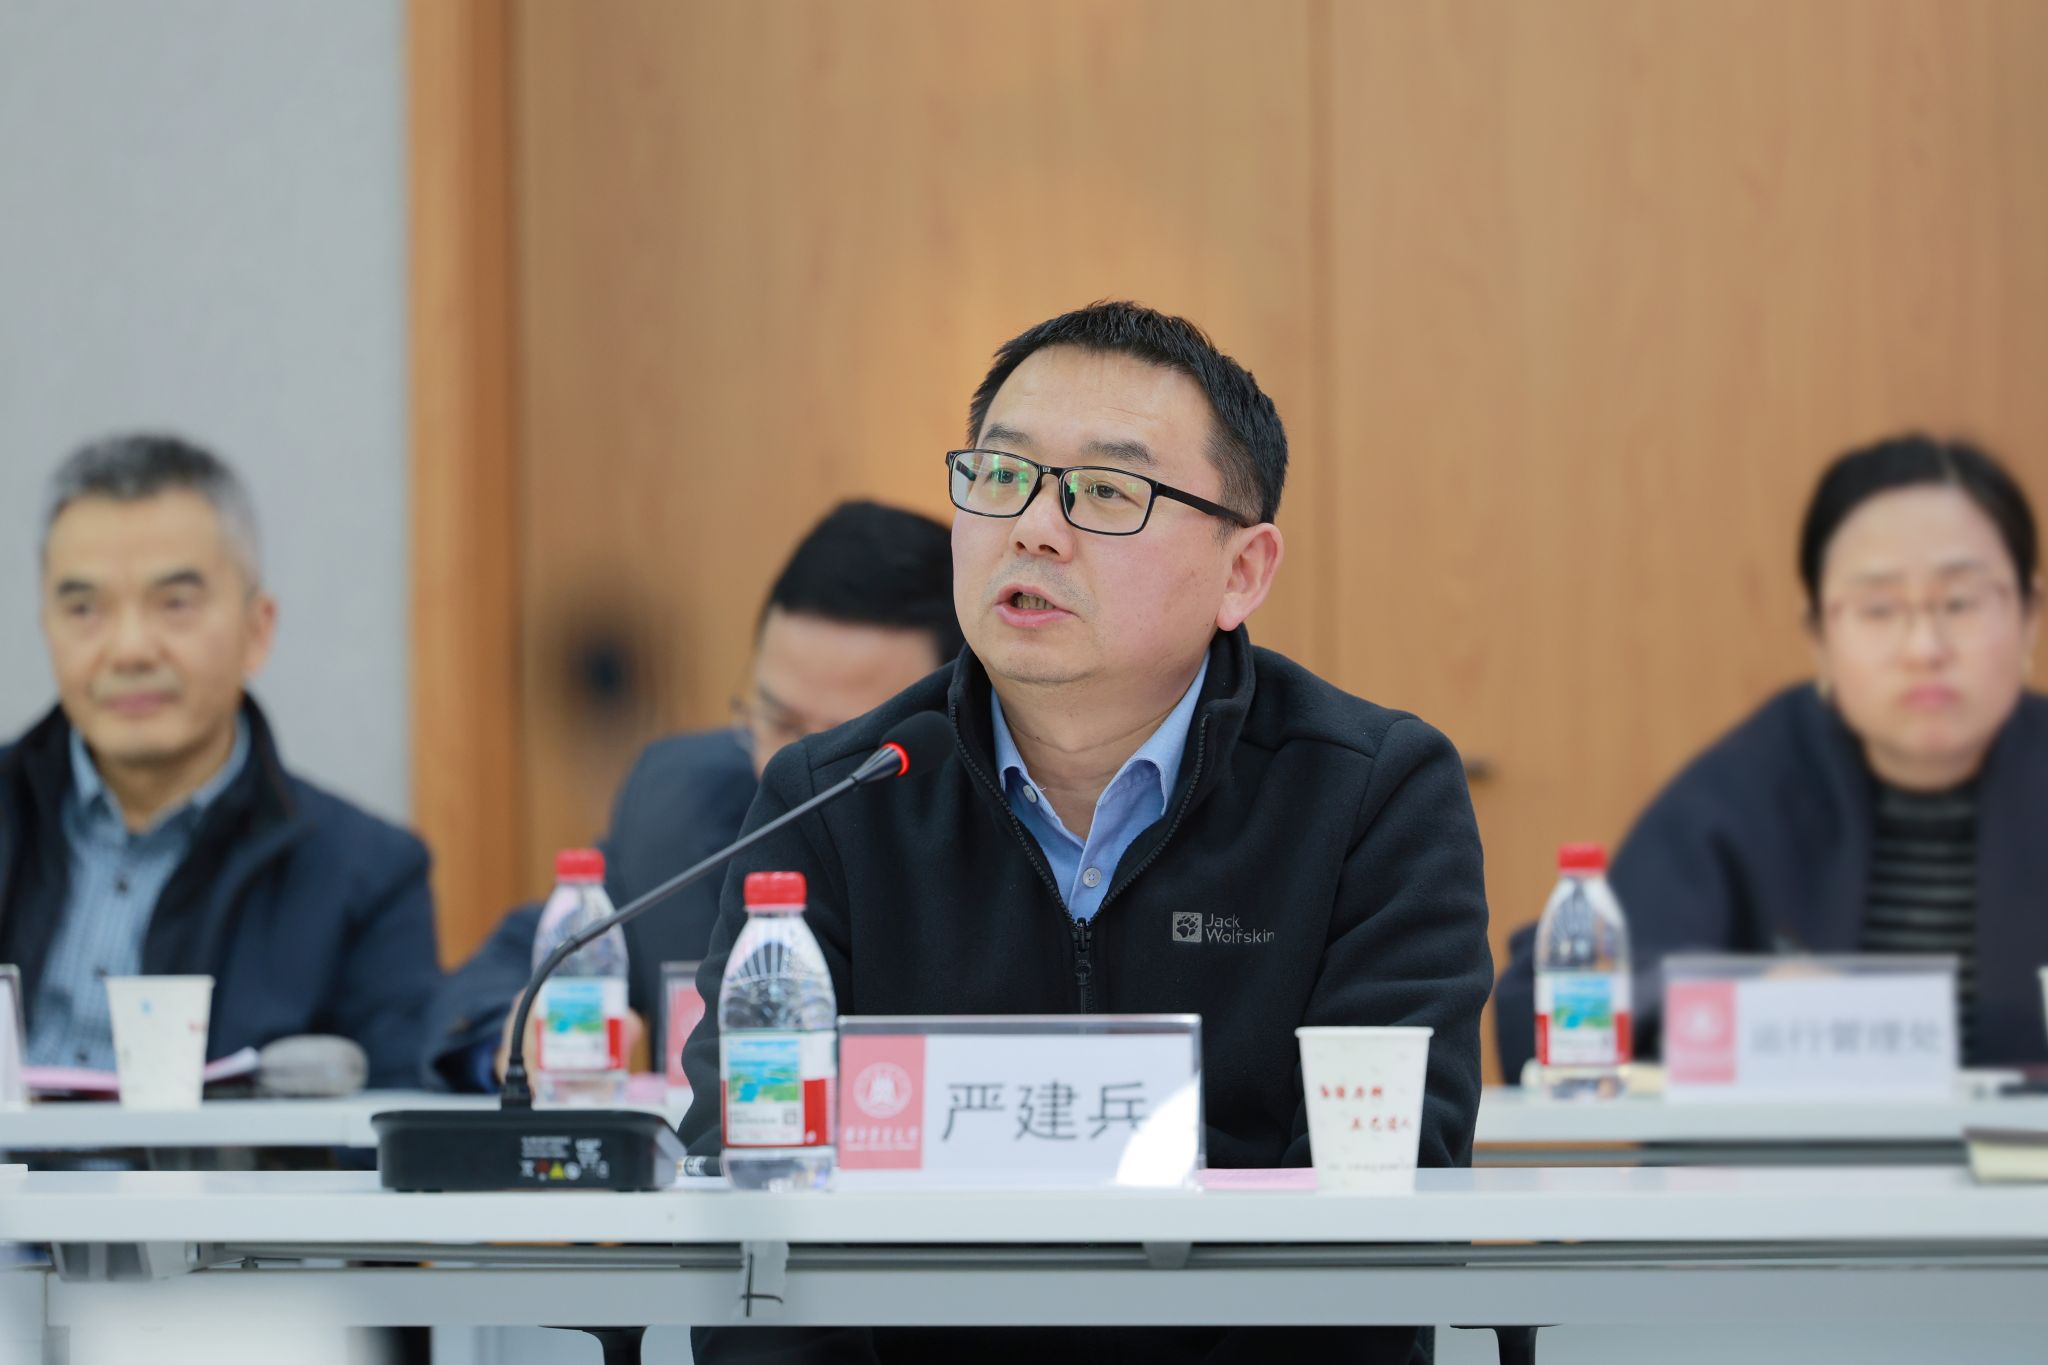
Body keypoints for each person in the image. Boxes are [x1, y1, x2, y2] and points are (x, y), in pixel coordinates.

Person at [681, 302, 1493, 1364]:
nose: (1033, 527)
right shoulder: (833, 800)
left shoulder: (1369, 798)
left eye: (1106, 491)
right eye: (1000, 474)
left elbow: (1378, 1215)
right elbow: (746, 1189)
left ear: (1242, 573)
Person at [1496, 434, 2048, 1076]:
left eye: (1960, 602)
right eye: (1878, 608)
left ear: (2030, 616)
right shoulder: (1747, 787)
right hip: (1799, 1149)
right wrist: (1741, 994)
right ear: (1818, 636)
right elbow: (1545, 1003)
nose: (1925, 647)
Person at [421, 501, 961, 1089]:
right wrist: (510, 1040)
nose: (789, 765)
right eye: (776, 720)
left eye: (841, 739)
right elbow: (507, 972)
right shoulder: (679, 804)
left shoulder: (1000, 836)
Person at [0, 434, 440, 1088]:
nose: (130, 649)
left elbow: (390, 1121)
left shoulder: (368, 877)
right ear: (47, 627)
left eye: (174, 603)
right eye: (85, 608)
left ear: (256, 630)